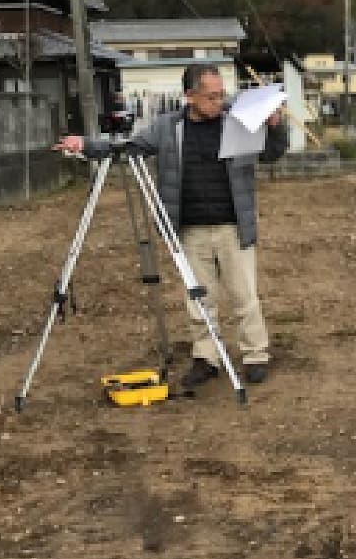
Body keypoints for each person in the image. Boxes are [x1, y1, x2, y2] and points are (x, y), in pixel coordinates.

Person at [55, 65, 287, 388]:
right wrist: (85, 145)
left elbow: (273, 153)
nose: (219, 101)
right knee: (198, 299)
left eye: (221, 94)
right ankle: (207, 357)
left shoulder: (238, 119)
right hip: (189, 228)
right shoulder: (167, 128)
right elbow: (129, 147)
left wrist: (275, 126)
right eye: (211, 96)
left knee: (244, 294)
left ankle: (255, 355)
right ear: (189, 96)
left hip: (232, 224)